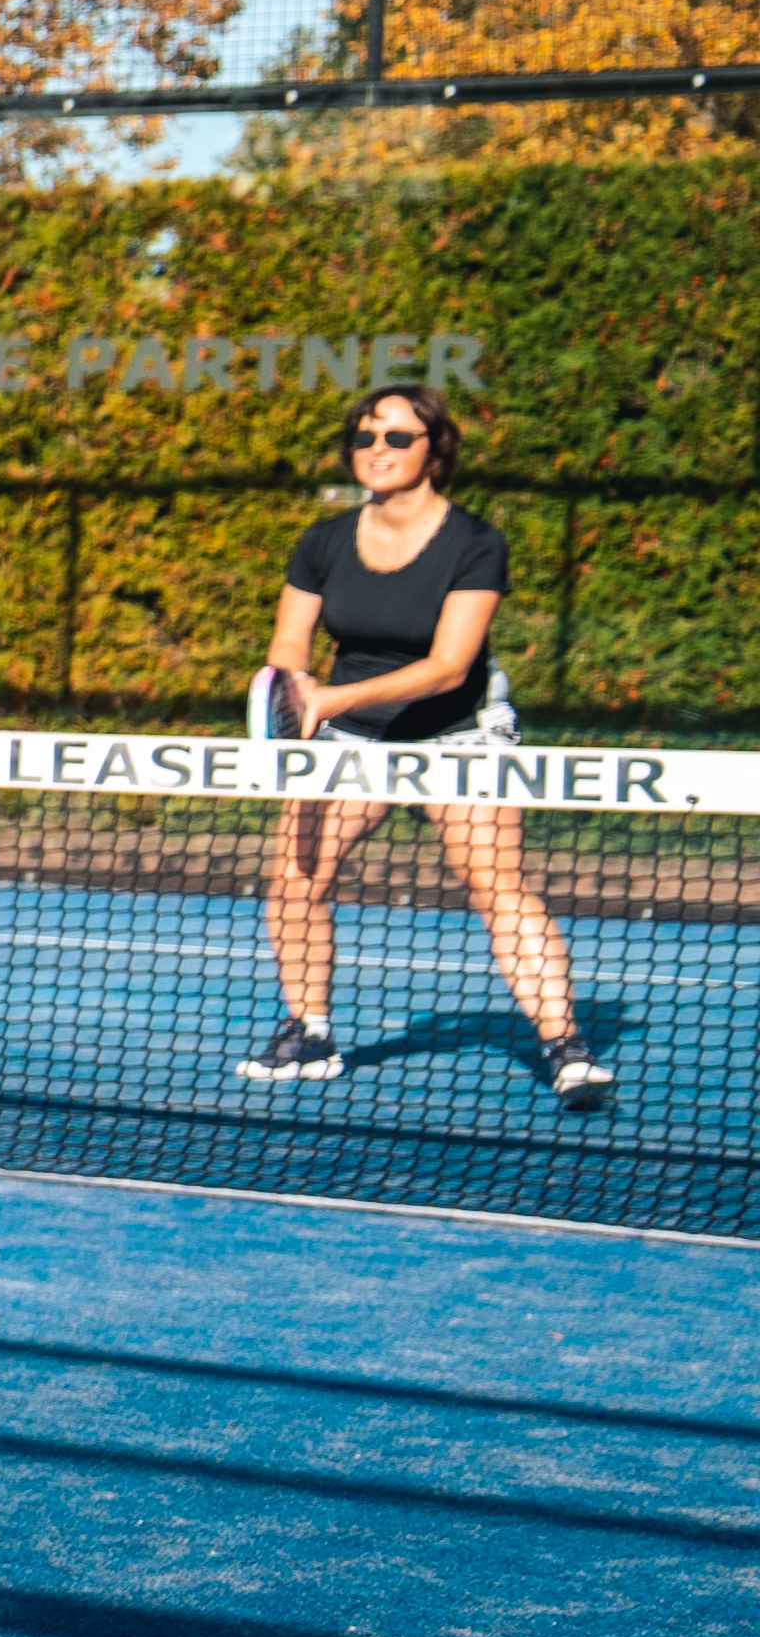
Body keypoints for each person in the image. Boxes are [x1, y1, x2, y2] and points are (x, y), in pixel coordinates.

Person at [242, 387, 608, 1109]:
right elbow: (290, 642)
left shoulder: (475, 544)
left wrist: (331, 700)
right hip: (352, 739)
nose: (376, 449)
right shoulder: (321, 542)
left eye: (397, 437)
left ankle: (567, 1048)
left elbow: (449, 663)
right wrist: (297, 683)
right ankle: (308, 1034)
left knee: (497, 888)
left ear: (434, 450)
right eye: (365, 435)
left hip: (460, 734)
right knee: (293, 878)